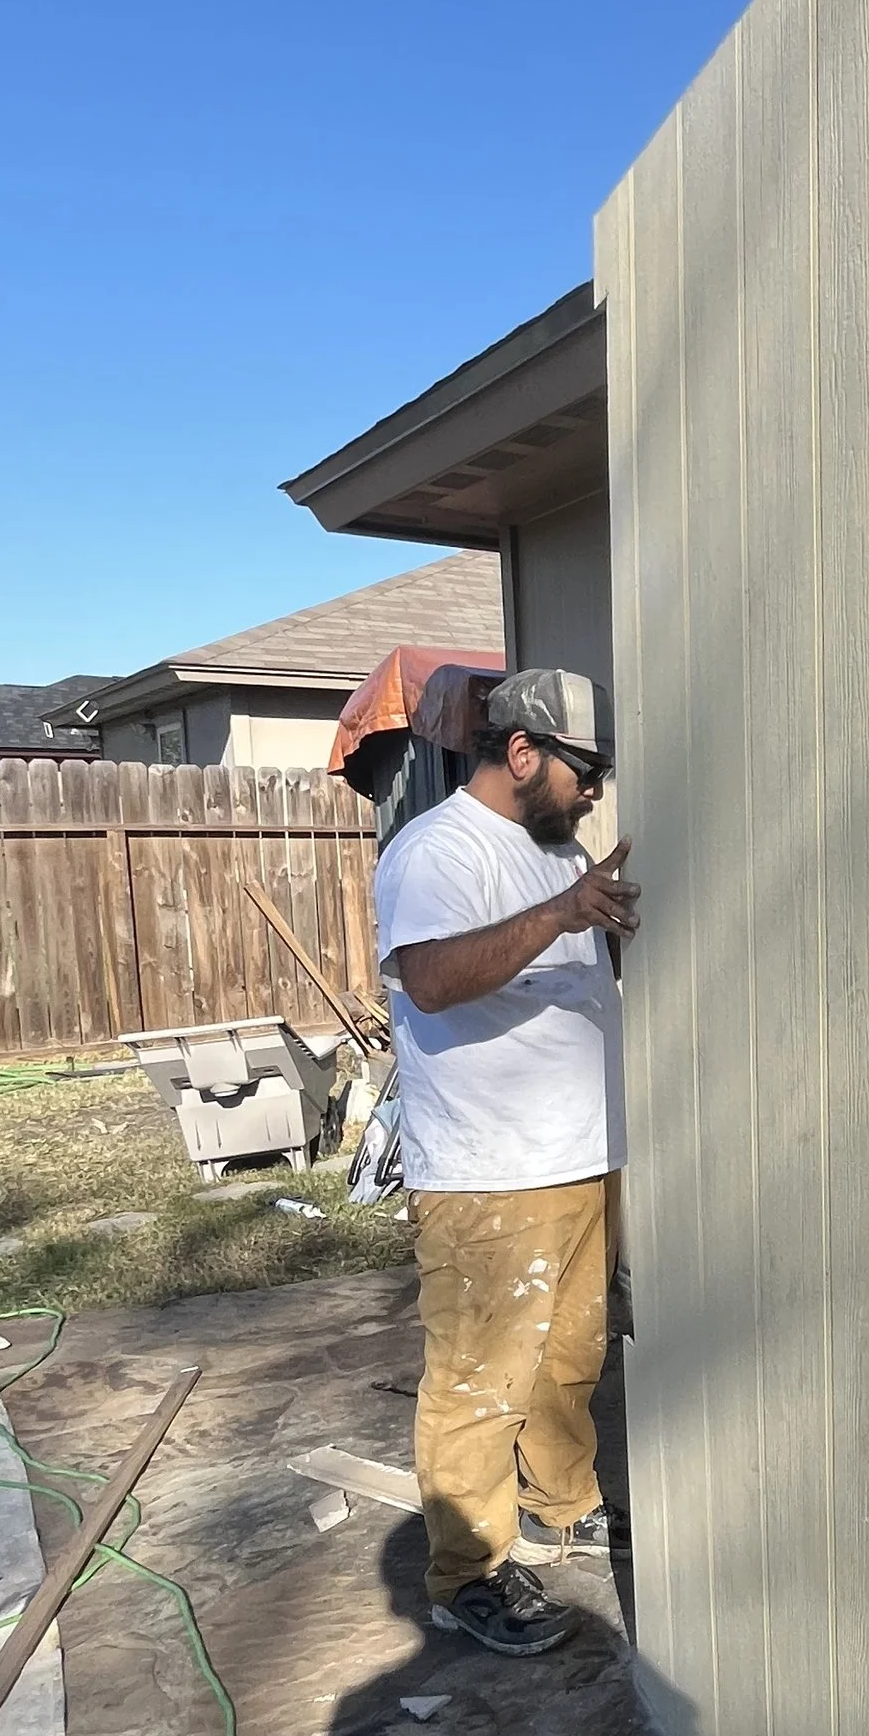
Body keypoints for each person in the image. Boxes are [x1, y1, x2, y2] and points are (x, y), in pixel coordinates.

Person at [373, 668, 638, 1655]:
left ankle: (560, 1508)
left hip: (577, 1155)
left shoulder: (550, 850)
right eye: (586, 769)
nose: (594, 791)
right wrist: (564, 913)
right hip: (488, 1172)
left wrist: (594, 919)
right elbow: (435, 980)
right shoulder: (437, 851)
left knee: (570, 1359)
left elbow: (555, 970)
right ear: (523, 752)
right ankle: (467, 1574)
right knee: (480, 1381)